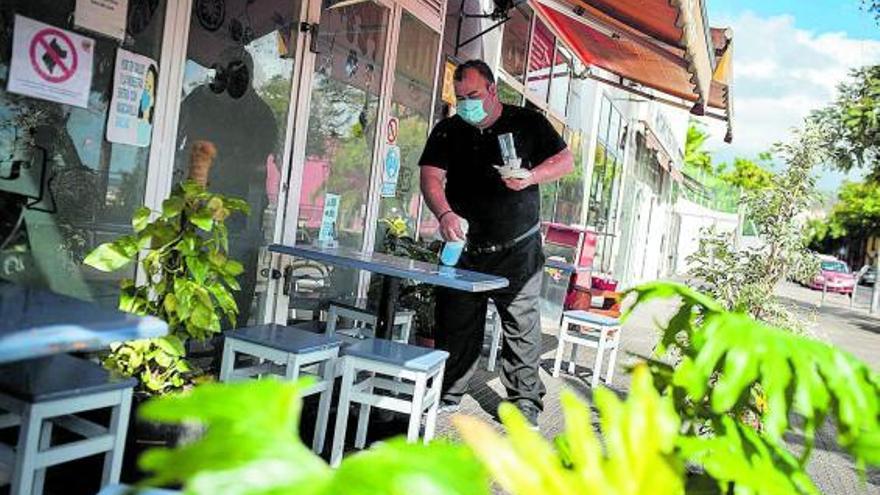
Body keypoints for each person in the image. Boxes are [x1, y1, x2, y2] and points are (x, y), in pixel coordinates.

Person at [418, 60, 574, 426]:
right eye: (459, 98)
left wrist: (532, 175)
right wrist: (444, 215)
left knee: (521, 328)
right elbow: (430, 177)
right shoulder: (449, 130)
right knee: (455, 323)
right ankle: (449, 392)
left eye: (472, 95)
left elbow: (565, 161)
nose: (465, 104)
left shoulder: (527, 123)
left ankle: (526, 404)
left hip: (517, 248)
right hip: (465, 248)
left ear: (492, 90)